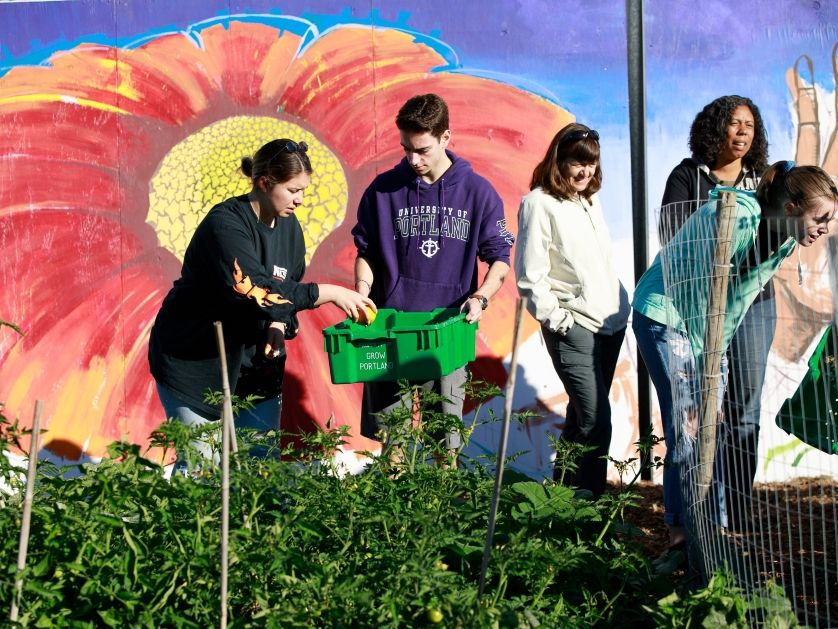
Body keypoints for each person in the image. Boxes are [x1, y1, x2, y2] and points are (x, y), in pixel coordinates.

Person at [633, 161, 837, 549]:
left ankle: (714, 528)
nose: (826, 227)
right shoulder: (739, 219)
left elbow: (734, 303)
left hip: (707, 333)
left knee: (714, 425)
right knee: (690, 428)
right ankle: (682, 532)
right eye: (821, 217)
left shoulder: (787, 237)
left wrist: (717, 358)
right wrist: (705, 366)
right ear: (792, 208)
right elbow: (694, 287)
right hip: (668, 317)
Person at [149, 138, 375, 462]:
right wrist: (331, 293)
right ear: (265, 182)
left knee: (262, 469)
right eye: (293, 190)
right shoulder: (224, 224)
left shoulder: (290, 229)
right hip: (195, 364)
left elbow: (286, 289)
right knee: (204, 474)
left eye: (303, 191)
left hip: (255, 368)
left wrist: (278, 326)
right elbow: (254, 287)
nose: (300, 200)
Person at [351, 93, 514, 465]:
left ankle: (441, 517)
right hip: (391, 332)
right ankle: (395, 519)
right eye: (406, 148)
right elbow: (366, 253)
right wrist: (361, 294)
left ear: (445, 137)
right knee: (393, 442)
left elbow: (500, 260)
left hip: (446, 334)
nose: (413, 159)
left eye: (422, 149)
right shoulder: (383, 190)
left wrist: (481, 297)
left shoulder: (479, 193)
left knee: (446, 444)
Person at [659, 95, 772, 532]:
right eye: (733, 124)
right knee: (698, 413)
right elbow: (672, 237)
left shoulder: (761, 181)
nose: (743, 132)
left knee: (744, 411)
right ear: (715, 128)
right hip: (699, 309)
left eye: (749, 125)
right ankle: (694, 517)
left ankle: (735, 514)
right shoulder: (689, 176)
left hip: (753, 303)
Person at [515, 123, 630, 496]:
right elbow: (530, 276)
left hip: (609, 325)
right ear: (558, 160)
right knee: (597, 420)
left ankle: (562, 500)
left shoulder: (589, 201)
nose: (585, 172)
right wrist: (559, 320)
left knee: (581, 417)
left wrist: (619, 305)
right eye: (576, 163)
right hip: (574, 325)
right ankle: (590, 508)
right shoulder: (538, 203)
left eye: (591, 164)